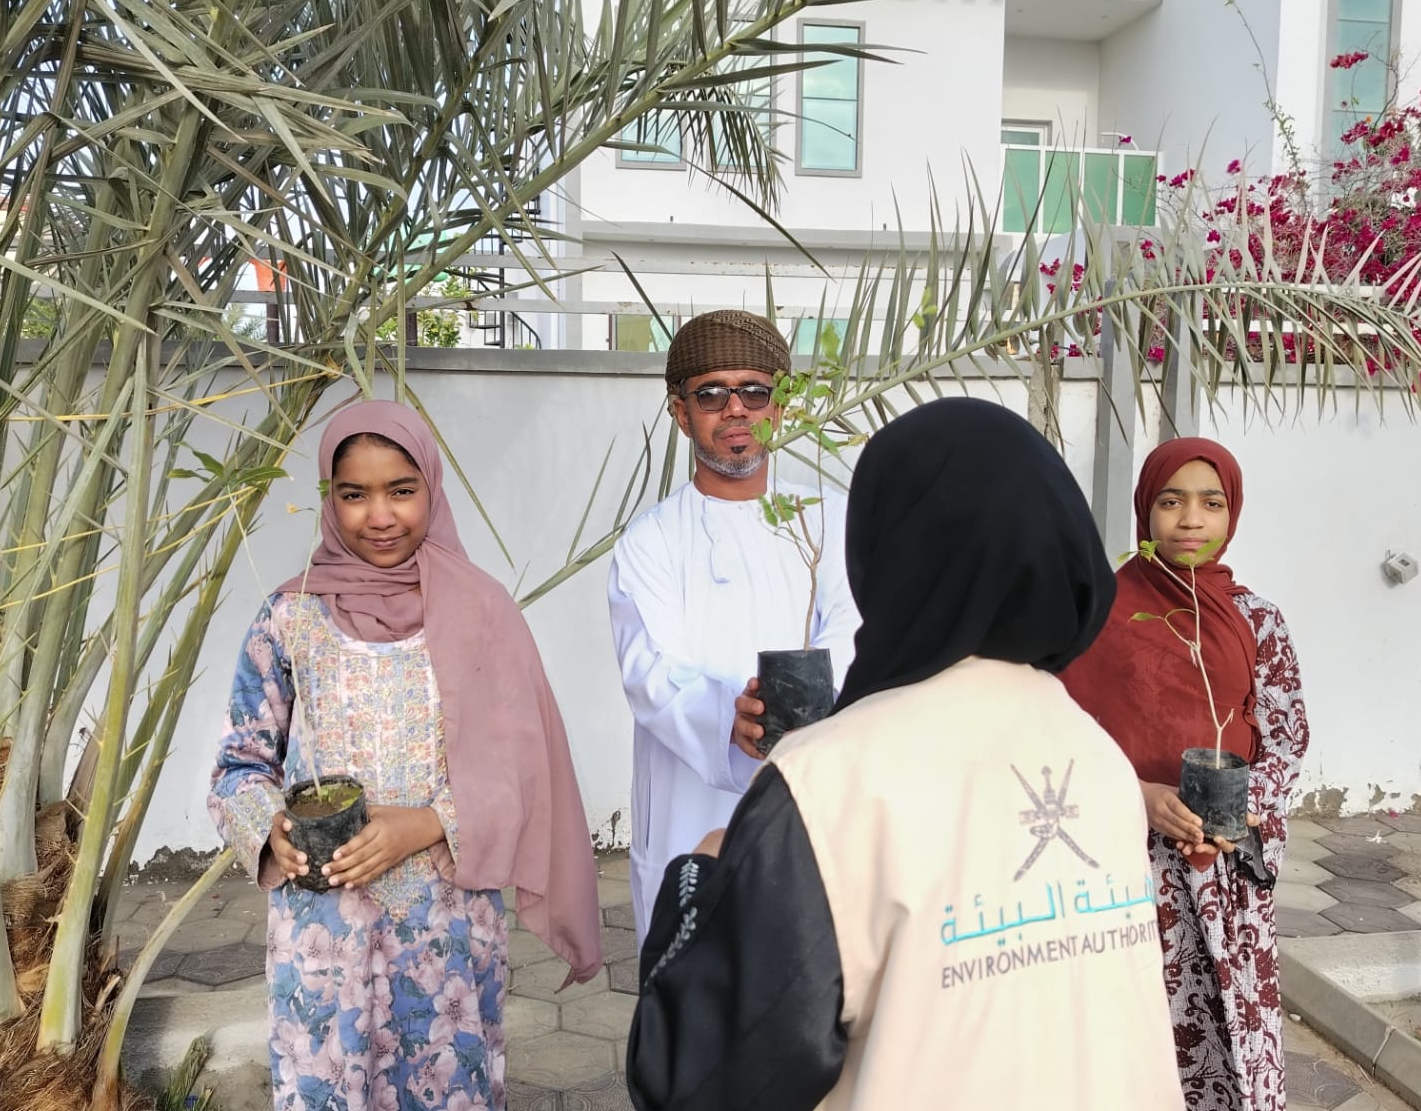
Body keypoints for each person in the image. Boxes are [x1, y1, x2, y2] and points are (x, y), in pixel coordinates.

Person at [625, 397, 1186, 1111]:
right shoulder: (1095, 755)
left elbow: (696, 1076)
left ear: (888, 554)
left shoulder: (831, 783)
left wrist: (700, 874)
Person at [209, 400, 602, 1111]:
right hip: (323, 931)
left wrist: (423, 824)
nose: (380, 515)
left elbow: (523, 768)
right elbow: (241, 763)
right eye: (354, 494)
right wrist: (269, 829)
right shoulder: (289, 615)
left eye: (400, 489)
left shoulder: (481, 612)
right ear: (329, 499)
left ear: (432, 487)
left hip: (443, 926)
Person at [1061, 437, 1309, 1111]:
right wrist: (1135, 795)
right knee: (1127, 1029)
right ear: (1145, 509)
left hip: (1222, 865)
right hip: (1121, 864)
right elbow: (1057, 736)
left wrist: (1245, 806)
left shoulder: (1257, 619)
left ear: (1232, 513)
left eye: (1211, 503)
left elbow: (1286, 733)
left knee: (1223, 1028)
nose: (1191, 519)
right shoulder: (1098, 614)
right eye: (1171, 501)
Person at [607, 309, 860, 945]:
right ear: (680, 412)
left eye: (754, 390)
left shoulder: (831, 519)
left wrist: (810, 708)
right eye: (712, 394)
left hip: (815, 788)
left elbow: (856, 629)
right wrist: (732, 716)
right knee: (694, 977)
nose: (736, 409)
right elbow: (650, 674)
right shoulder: (651, 541)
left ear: (780, 405)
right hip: (688, 807)